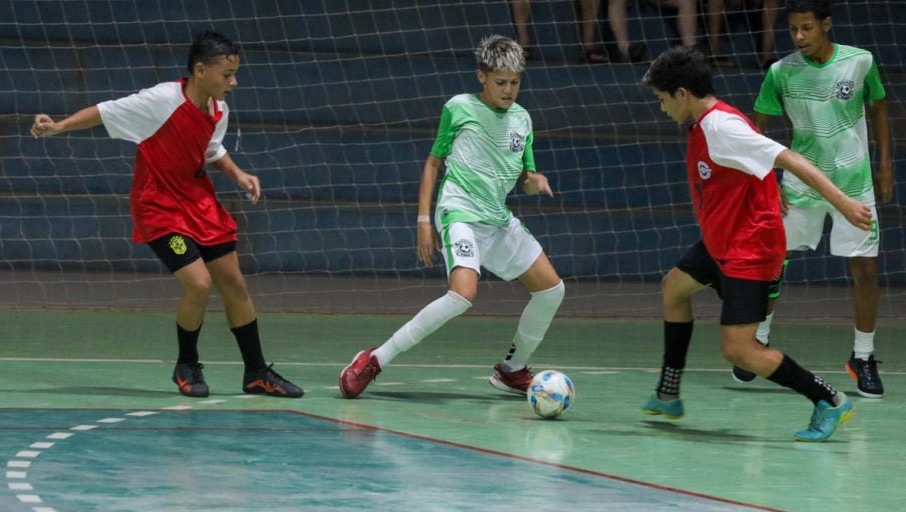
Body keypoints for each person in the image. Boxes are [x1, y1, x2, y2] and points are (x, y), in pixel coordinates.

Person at [31, 31, 303, 399]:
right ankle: (186, 364)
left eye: (235, 73)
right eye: (227, 74)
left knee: (235, 284)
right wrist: (59, 126)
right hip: (160, 211)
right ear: (200, 70)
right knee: (199, 284)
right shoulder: (161, 101)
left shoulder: (219, 108)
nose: (234, 82)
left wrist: (236, 173)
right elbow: (104, 111)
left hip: (200, 206)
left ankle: (256, 372)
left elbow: (210, 149)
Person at [640, 46, 871, 441]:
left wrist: (845, 203)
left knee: (741, 351)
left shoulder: (722, 128)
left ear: (682, 93)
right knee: (674, 288)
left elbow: (793, 160)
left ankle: (829, 400)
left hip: (750, 250)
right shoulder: (704, 122)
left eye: (662, 100)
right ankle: (668, 392)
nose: (661, 109)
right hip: (720, 242)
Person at [339, 35, 565, 399]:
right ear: (482, 77)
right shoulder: (458, 108)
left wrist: (533, 181)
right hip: (459, 211)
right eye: (500, 82)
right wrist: (424, 222)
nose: (509, 90)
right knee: (462, 295)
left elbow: (523, 179)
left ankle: (511, 370)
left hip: (497, 219)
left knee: (553, 290)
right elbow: (433, 163)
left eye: (515, 82)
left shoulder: (523, 120)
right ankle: (375, 359)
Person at [731, 0, 892, 398]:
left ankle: (863, 356)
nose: (800, 37)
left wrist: (885, 165)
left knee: (866, 271)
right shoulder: (780, 72)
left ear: (826, 25)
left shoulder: (860, 62)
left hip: (854, 183)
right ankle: (757, 341)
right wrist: (766, 181)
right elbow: (755, 133)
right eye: (793, 29)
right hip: (800, 184)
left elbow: (878, 108)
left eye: (807, 28)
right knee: (772, 263)